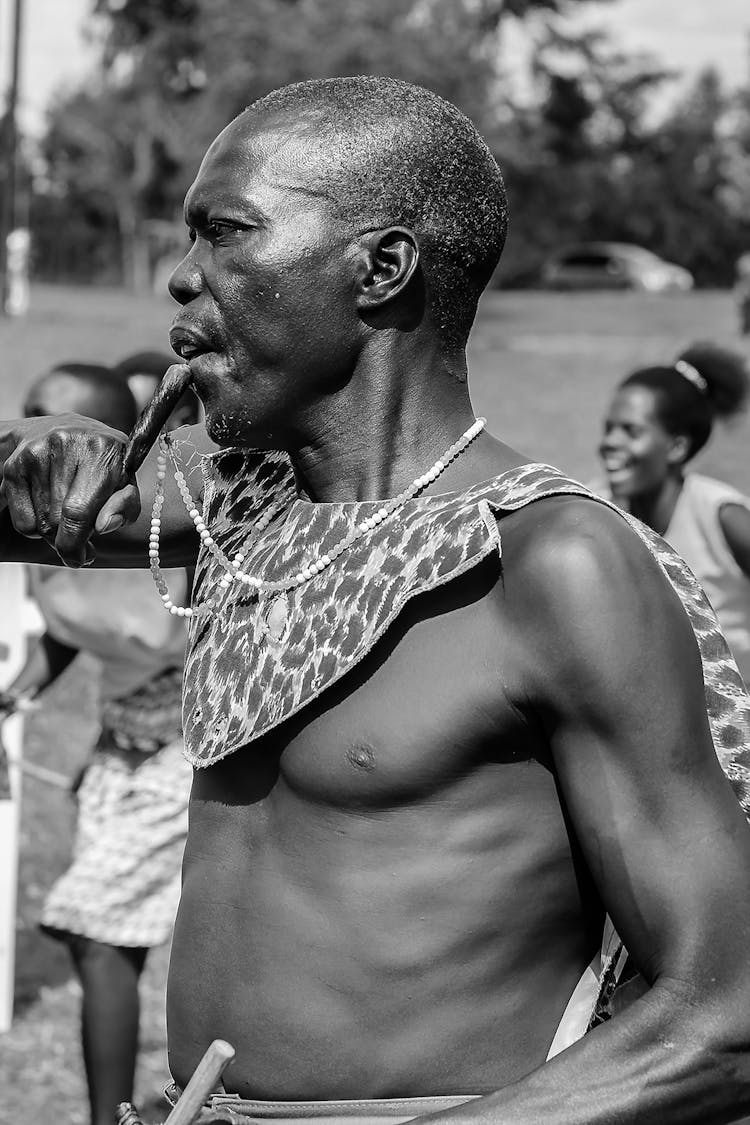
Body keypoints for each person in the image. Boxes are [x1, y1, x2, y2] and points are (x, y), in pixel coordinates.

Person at [2, 77, 750, 1125]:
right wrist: (35, 459)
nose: (183, 279)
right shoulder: (239, 516)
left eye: (226, 234)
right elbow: (48, 500)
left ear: (382, 268)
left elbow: (726, 1017)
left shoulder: (549, 562)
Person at [0, 362, 195, 1125]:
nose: (38, 430)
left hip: (189, 751)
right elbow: (66, 628)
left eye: (57, 415)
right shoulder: (34, 516)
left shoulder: (159, 526)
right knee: (111, 943)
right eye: (28, 411)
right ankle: (107, 1113)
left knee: (90, 924)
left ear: (121, 436)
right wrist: (16, 692)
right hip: (117, 749)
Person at [599, 342, 750, 688]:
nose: (610, 442)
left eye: (630, 431)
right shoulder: (597, 512)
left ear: (677, 447)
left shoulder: (722, 517)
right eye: (609, 428)